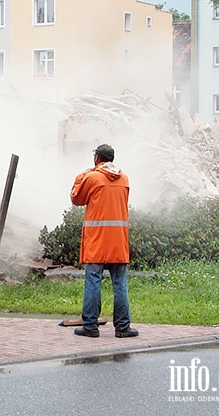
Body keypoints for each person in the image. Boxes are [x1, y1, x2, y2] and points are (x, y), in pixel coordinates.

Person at [69, 143, 138, 338]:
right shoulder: (124, 178)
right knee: (120, 285)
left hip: (97, 240)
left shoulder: (92, 178)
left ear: (97, 158)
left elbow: (76, 198)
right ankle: (123, 328)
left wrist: (81, 176)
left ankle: (90, 327)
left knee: (93, 282)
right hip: (118, 242)